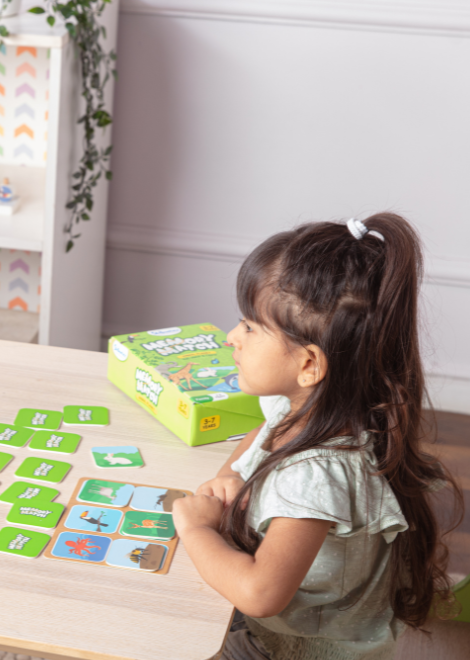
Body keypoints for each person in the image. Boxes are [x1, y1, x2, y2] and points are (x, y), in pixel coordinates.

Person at [172, 213, 463, 660]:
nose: (232, 337)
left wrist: (196, 528)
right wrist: (231, 475)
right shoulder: (316, 406)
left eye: (250, 327)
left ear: (309, 364)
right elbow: (260, 433)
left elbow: (260, 593)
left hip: (293, 650)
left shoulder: (314, 480)